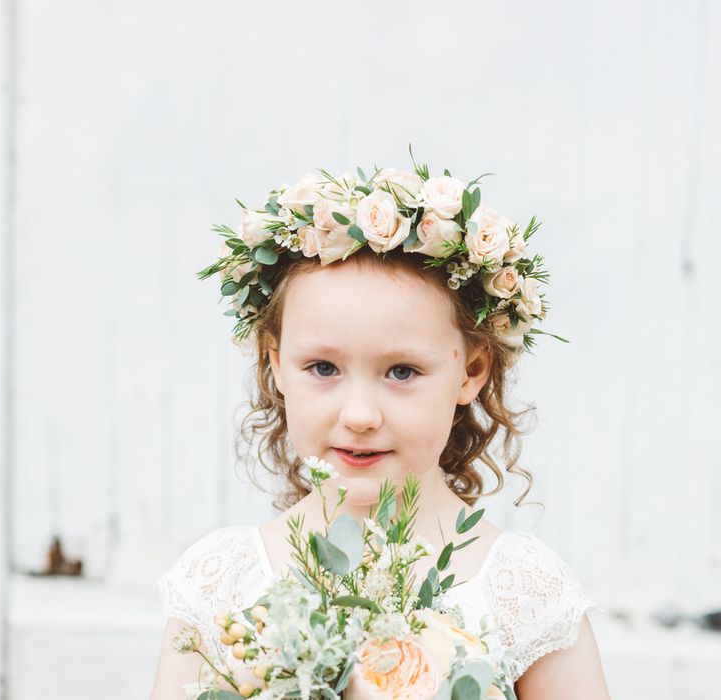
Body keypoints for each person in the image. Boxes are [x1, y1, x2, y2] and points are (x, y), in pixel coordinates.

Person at [149, 164, 611, 699]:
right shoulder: (221, 583)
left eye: (401, 372)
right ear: (274, 364)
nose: (360, 415)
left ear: (472, 371)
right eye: (323, 368)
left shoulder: (525, 592)